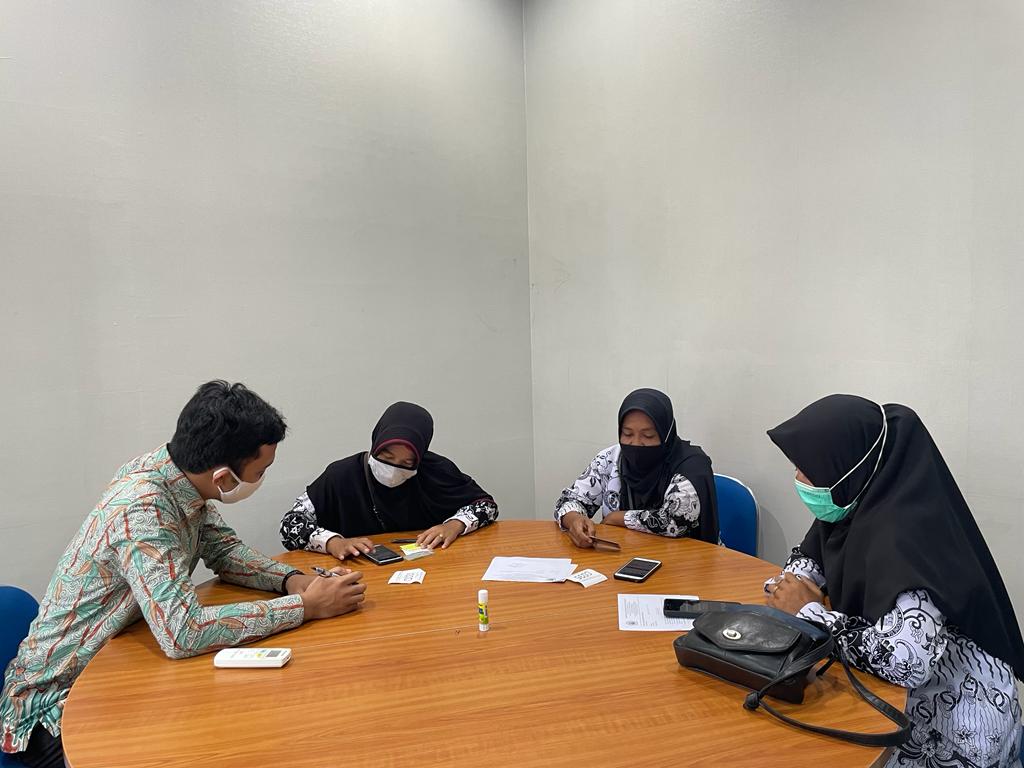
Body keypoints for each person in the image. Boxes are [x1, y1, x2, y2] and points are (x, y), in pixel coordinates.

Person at [0, 381, 366, 768]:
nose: (262, 479)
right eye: (261, 471)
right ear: (223, 477)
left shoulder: (175, 475)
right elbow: (183, 632)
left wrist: (292, 581)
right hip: (55, 709)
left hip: (119, 668)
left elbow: (224, 550)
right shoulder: (143, 509)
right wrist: (305, 607)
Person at [764, 394, 1024, 767]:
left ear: (848, 469)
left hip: (959, 725)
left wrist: (811, 612)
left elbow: (907, 660)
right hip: (902, 697)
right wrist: (796, 590)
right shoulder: (856, 503)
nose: (799, 479)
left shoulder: (910, 538)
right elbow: (799, 569)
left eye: (807, 469)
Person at [280, 401, 498, 556]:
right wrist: (333, 542)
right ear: (376, 444)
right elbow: (290, 525)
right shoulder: (342, 475)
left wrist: (455, 525)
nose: (393, 470)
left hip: (430, 569)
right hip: (359, 574)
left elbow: (486, 505)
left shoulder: (436, 470)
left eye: (407, 463)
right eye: (386, 457)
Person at [555, 388, 718, 548]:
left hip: (686, 559)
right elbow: (570, 500)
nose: (636, 443)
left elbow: (675, 520)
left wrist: (619, 518)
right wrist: (574, 519)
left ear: (666, 434)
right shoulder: (610, 459)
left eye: (648, 436)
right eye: (627, 434)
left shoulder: (692, 465)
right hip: (623, 556)